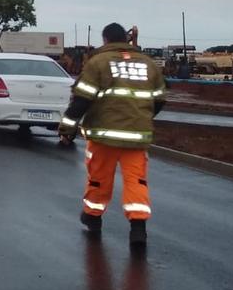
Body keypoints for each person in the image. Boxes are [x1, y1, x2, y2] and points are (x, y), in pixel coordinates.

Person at [59, 23, 167, 248]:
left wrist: (67, 130)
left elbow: (82, 100)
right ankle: (138, 229)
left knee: (99, 178)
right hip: (137, 137)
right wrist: (142, 118)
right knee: (136, 180)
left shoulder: (98, 63)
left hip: (103, 135)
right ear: (126, 40)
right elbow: (158, 100)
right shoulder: (148, 64)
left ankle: (93, 217)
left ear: (106, 39)